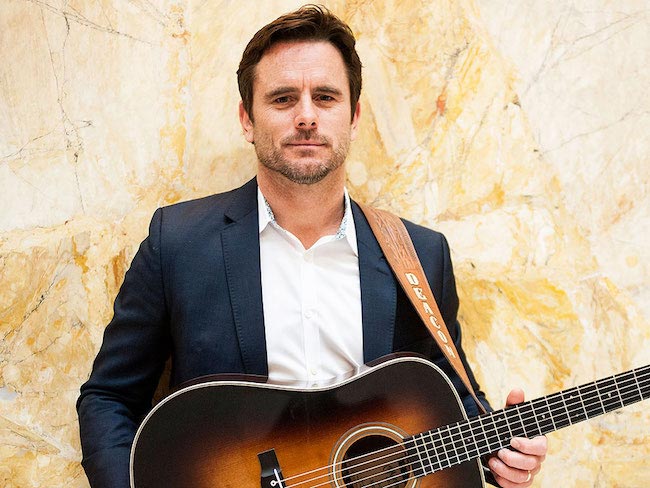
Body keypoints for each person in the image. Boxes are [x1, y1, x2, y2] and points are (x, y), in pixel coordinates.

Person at [77, 5, 547, 488]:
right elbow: (108, 398)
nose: (306, 116)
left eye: (325, 97)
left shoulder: (420, 254)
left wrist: (503, 451)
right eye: (282, 99)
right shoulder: (177, 243)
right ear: (247, 119)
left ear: (355, 115)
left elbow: (445, 399)